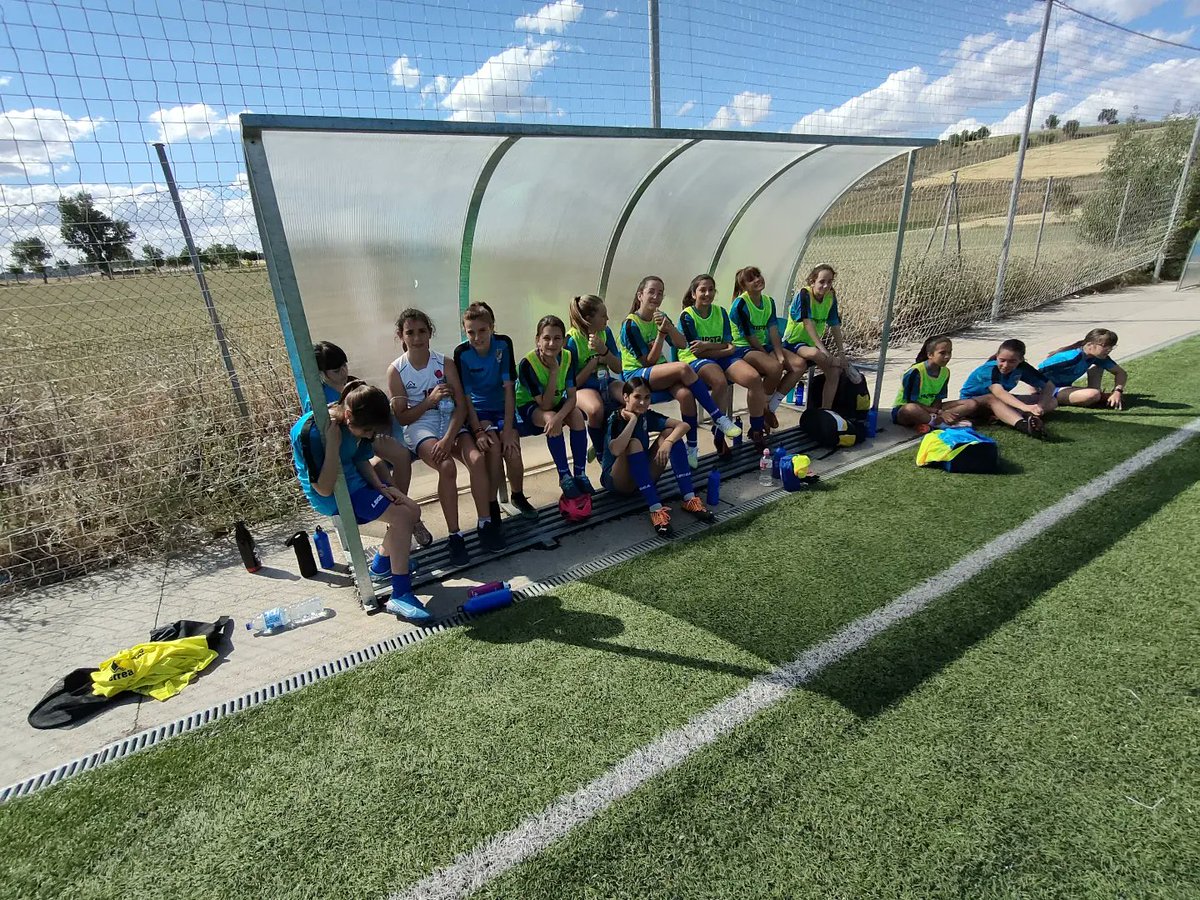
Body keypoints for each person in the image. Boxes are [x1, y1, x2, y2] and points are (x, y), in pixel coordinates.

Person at [289, 381, 430, 623]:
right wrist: (332, 447)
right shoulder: (314, 433)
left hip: (355, 481)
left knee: (412, 510)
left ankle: (381, 566)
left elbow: (360, 458)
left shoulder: (357, 424)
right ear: (348, 416)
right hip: (334, 495)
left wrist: (380, 487)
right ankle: (400, 594)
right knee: (401, 517)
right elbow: (323, 488)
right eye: (367, 431)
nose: (371, 436)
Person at [387, 308, 492, 566]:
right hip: (420, 427)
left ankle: (486, 524)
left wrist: (448, 438)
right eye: (410, 333)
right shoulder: (397, 370)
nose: (417, 338)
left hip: (451, 423)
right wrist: (429, 401)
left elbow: (461, 406)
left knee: (477, 459)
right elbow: (403, 418)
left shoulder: (444, 363)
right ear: (401, 336)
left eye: (422, 331)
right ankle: (455, 536)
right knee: (446, 467)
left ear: (430, 333)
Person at [619, 274, 742, 468]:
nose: (656, 297)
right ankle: (718, 417)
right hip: (637, 375)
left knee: (686, 395)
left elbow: (681, 344)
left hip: (657, 372)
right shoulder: (631, 324)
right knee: (683, 368)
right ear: (640, 295)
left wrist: (668, 328)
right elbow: (647, 362)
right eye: (651, 292)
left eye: (660, 293)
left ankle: (692, 447)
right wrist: (661, 334)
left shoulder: (661, 317)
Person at [453, 302, 538, 527]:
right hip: (479, 412)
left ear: (492, 327)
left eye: (482, 330)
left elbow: (509, 389)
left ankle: (518, 495)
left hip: (502, 408)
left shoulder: (503, 344)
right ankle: (492, 506)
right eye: (471, 332)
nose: (477, 337)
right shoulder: (462, 354)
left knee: (512, 449)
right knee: (493, 447)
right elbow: (466, 399)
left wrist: (508, 429)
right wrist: (478, 430)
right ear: (465, 331)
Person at [601, 376, 715, 537]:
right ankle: (656, 510)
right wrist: (632, 420)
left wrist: (668, 442)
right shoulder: (616, 418)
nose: (643, 402)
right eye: (637, 397)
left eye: (647, 397)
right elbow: (616, 450)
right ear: (626, 397)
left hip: (641, 477)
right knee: (633, 443)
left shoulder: (646, 415)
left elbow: (684, 425)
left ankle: (689, 498)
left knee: (671, 434)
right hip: (618, 482)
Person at [679, 273, 770, 452]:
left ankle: (757, 430)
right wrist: (724, 349)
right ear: (694, 294)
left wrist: (712, 346)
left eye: (711, 290)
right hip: (696, 360)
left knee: (754, 378)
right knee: (719, 381)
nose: (707, 294)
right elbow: (697, 350)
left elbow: (729, 343)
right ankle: (719, 434)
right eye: (702, 290)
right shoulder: (687, 315)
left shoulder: (720, 312)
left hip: (721, 356)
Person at [515, 315, 594, 498]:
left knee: (576, 416)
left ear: (563, 340)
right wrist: (553, 372)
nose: (552, 343)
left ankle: (580, 473)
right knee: (550, 419)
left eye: (557, 338)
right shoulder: (528, 364)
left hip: (556, 402)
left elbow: (572, 397)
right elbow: (544, 405)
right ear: (537, 340)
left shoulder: (567, 356)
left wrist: (560, 416)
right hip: (530, 405)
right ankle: (564, 476)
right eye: (546, 338)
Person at [730, 265, 804, 428]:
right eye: (751, 279)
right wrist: (766, 354)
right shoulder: (740, 305)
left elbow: (773, 330)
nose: (757, 280)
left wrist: (779, 354)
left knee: (799, 365)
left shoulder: (769, 301)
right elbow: (749, 336)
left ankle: (770, 407)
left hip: (764, 345)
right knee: (775, 367)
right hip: (743, 348)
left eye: (758, 275)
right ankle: (762, 409)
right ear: (744, 286)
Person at [566, 293, 624, 461]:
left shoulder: (605, 332)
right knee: (596, 409)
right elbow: (572, 383)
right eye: (603, 315)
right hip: (582, 388)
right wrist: (592, 364)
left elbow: (618, 367)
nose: (607, 319)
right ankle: (601, 452)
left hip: (605, 382)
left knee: (631, 396)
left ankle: (612, 439)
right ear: (588, 319)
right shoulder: (572, 340)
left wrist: (604, 351)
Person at [782, 264, 848, 410]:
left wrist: (841, 352)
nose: (826, 286)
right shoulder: (804, 294)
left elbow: (834, 324)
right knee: (815, 353)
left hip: (811, 344)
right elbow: (807, 323)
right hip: (793, 342)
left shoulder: (830, 297)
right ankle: (773, 401)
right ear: (812, 281)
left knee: (834, 371)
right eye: (822, 282)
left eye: (830, 282)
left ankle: (825, 411)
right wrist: (824, 351)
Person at [960, 339, 1056, 437]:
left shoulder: (1022, 367)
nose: (1005, 365)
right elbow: (998, 392)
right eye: (1002, 360)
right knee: (991, 398)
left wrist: (1040, 406)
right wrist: (1025, 407)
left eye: (1012, 361)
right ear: (997, 356)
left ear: (1021, 360)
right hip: (972, 404)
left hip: (1000, 401)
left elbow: (1049, 385)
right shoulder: (989, 369)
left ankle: (1025, 416)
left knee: (1052, 400)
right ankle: (1024, 425)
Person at [892, 334, 983, 432]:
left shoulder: (945, 372)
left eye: (949, 352)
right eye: (942, 353)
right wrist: (939, 412)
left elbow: (938, 398)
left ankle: (934, 421)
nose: (947, 356)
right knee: (911, 409)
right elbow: (911, 401)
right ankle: (941, 423)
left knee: (971, 404)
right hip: (907, 410)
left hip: (932, 409)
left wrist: (939, 412)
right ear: (930, 355)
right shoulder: (915, 372)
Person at [1037, 328, 1127, 409]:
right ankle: (1100, 397)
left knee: (1098, 367)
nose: (1109, 349)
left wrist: (1117, 391)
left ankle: (1100, 397)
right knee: (1093, 394)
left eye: (1111, 346)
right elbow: (1037, 373)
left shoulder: (1098, 357)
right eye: (1105, 346)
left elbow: (1121, 373)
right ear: (1090, 344)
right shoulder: (1070, 357)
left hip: (1064, 387)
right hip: (1046, 391)